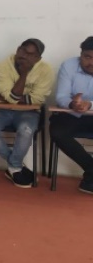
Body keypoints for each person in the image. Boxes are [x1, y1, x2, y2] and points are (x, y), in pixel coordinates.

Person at [0, 39, 52, 188]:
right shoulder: (2, 66)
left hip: (28, 112)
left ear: (38, 58)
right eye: (23, 51)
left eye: (31, 55)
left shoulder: (46, 70)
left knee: (26, 130)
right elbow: (12, 98)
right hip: (0, 109)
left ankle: (13, 166)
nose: (24, 56)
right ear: (18, 49)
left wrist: (23, 75)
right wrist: (14, 97)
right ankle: (16, 167)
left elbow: (37, 98)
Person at [50, 37, 93, 195]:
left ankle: (90, 178)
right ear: (80, 55)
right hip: (71, 113)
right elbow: (61, 96)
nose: (91, 63)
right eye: (87, 57)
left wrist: (89, 104)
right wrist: (72, 104)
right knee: (57, 131)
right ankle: (91, 170)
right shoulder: (69, 65)